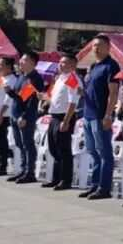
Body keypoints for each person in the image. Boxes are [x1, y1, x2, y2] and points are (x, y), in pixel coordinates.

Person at [81, 34, 121, 200]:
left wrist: (108, 115)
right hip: (87, 114)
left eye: (99, 45)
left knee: (104, 153)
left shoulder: (111, 66)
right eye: (94, 45)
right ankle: (95, 184)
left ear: (108, 47)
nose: (96, 48)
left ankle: (104, 188)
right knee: (92, 151)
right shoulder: (92, 66)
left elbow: (113, 93)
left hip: (100, 115)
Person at [4, 52, 45, 184]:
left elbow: (32, 101)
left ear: (32, 62)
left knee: (28, 144)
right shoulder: (22, 76)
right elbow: (20, 97)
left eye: (24, 60)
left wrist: (24, 116)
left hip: (26, 116)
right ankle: (23, 170)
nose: (20, 62)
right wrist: (10, 92)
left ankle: (30, 172)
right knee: (20, 144)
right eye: (21, 60)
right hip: (15, 114)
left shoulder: (35, 78)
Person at [43, 53, 80, 191]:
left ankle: (65, 180)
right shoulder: (59, 78)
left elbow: (73, 101)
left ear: (73, 65)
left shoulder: (72, 79)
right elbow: (56, 99)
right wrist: (45, 99)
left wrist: (66, 120)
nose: (60, 64)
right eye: (60, 62)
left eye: (64, 62)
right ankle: (56, 178)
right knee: (53, 148)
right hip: (54, 116)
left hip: (64, 116)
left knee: (64, 149)